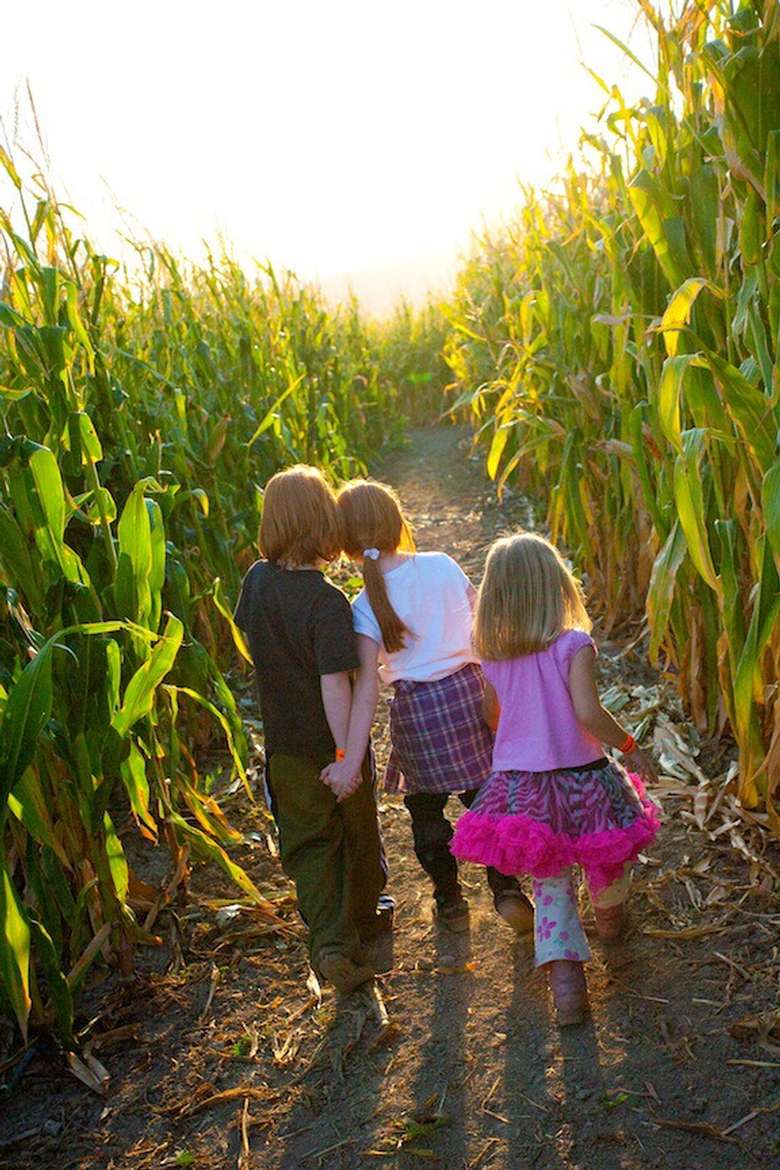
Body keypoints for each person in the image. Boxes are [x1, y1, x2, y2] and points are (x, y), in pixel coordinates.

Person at [451, 531, 660, 1026]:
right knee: (606, 854)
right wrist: (630, 745)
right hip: (582, 776)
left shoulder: (494, 655)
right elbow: (588, 713)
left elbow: (494, 717)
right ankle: (610, 924)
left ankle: (567, 989)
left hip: (523, 784)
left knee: (550, 881)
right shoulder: (573, 644)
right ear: (556, 587)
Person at [321, 478, 534, 935]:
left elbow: (365, 690)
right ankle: (507, 888)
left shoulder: (362, 606)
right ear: (398, 522)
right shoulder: (441, 566)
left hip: (417, 713)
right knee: (488, 798)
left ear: (346, 545)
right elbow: (486, 631)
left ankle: (450, 900)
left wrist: (348, 758)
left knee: (425, 809)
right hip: (469, 698)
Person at [234, 465, 390, 995]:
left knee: (309, 846)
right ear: (324, 522)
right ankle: (367, 926)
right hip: (333, 744)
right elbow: (334, 688)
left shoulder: (256, 581)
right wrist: (348, 754)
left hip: (285, 749)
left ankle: (329, 944)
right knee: (357, 835)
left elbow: (248, 634)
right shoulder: (327, 603)